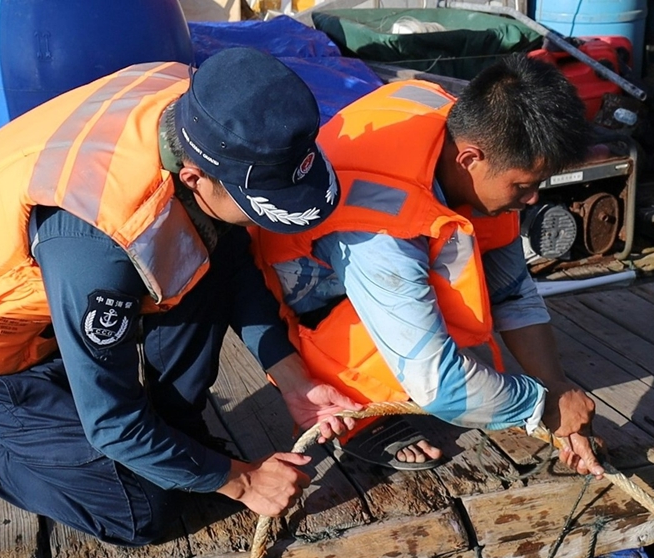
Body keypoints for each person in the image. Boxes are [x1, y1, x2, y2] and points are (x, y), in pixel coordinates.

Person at [0, 47, 362, 545]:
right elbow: (112, 423)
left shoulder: (199, 108)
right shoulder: (98, 239)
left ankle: (176, 439)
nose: (257, 221)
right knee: (139, 510)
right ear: (194, 178)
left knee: (213, 254)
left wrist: (292, 379)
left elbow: (232, 260)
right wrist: (243, 480)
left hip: (62, 298)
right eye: (255, 207)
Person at [251, 53, 605, 476]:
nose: (533, 200)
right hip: (316, 311)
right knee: (439, 377)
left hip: (399, 252)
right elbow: (440, 387)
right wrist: (541, 406)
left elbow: (513, 292)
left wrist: (556, 386)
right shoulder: (376, 227)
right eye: (525, 187)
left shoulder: (479, 139)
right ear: (470, 159)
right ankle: (363, 415)